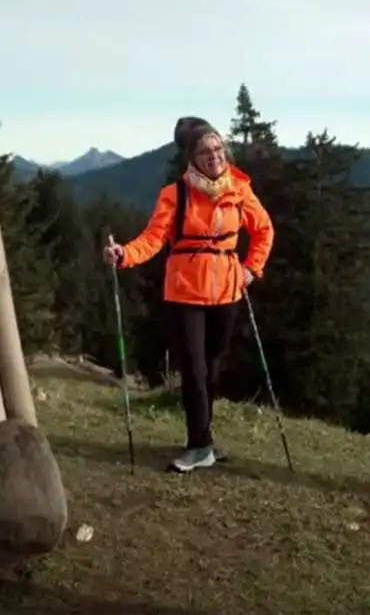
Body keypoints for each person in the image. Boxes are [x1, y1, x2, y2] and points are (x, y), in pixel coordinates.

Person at [104, 116, 274, 473]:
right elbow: (153, 239)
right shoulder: (175, 194)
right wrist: (124, 255)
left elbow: (264, 230)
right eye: (204, 151)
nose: (214, 156)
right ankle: (199, 445)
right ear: (191, 158)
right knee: (195, 371)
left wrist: (250, 269)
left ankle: (203, 439)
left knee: (211, 371)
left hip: (227, 291)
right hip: (185, 292)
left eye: (218, 149)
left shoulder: (239, 190)